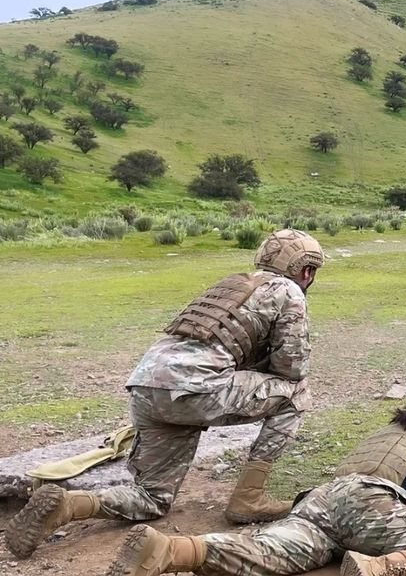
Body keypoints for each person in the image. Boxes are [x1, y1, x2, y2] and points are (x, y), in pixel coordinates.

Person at [5, 229, 324, 559]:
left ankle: (68, 504)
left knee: (152, 498)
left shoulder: (233, 285)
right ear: (306, 270)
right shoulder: (289, 291)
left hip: (146, 387)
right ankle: (249, 497)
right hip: (196, 390)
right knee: (295, 394)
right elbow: (292, 368)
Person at [97, 380, 406, 576]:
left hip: (324, 500)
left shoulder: (388, 433)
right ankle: (380, 569)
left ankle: (170, 551)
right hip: (376, 509)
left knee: (267, 550)